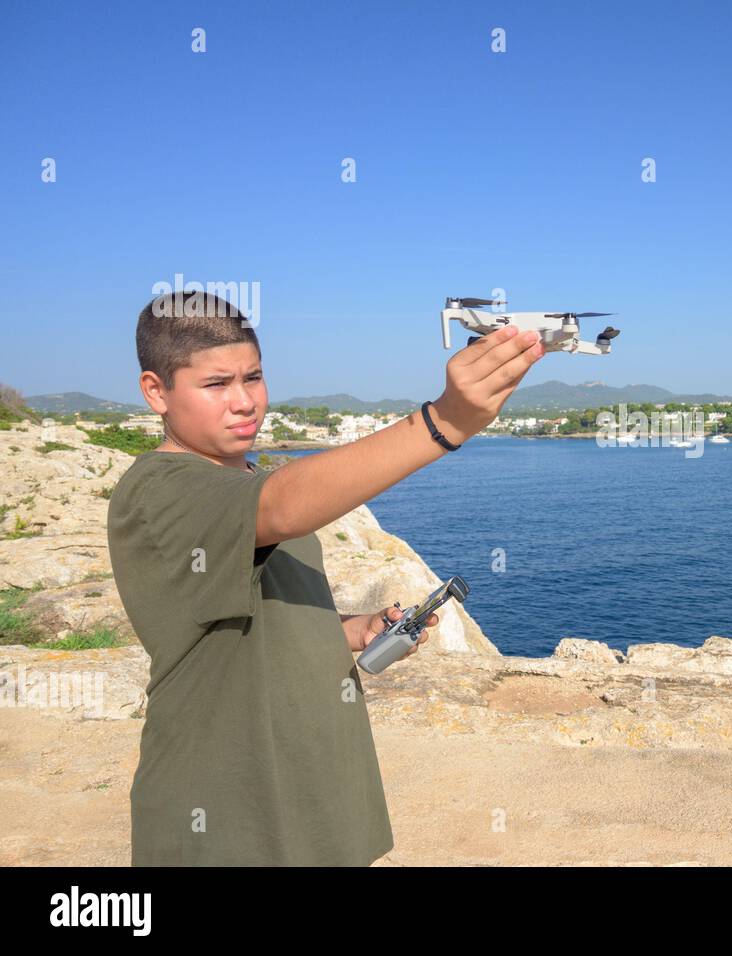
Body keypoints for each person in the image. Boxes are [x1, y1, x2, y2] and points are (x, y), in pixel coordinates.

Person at [106, 290, 544, 865]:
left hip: (313, 807)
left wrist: (355, 630)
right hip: (226, 815)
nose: (245, 402)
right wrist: (444, 422)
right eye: (216, 384)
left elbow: (258, 619)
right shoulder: (160, 489)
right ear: (155, 391)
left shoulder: (246, 487)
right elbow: (284, 504)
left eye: (254, 378)